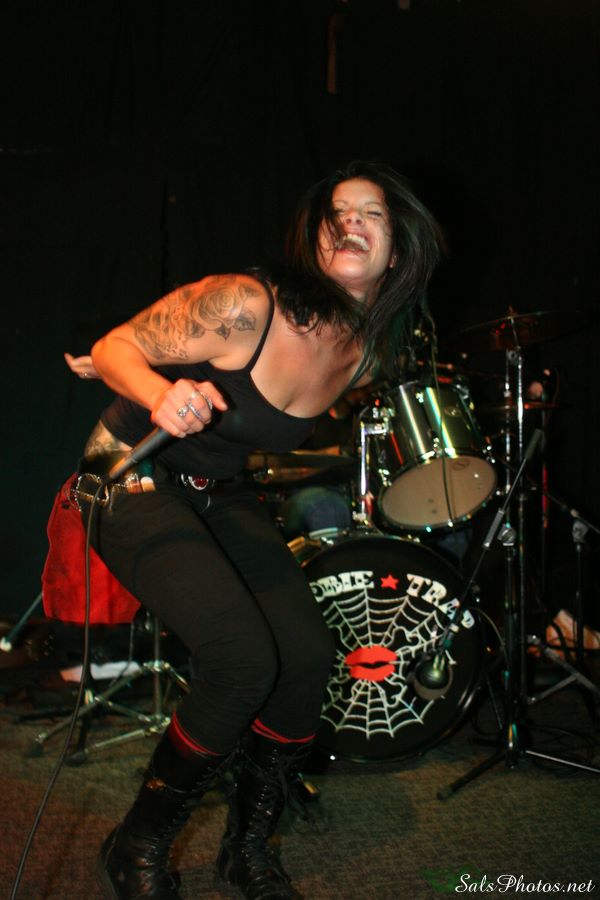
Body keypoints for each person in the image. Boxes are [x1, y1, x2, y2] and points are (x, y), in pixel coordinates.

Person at [71, 159, 442, 899]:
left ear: (397, 249)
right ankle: (136, 847)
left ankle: (246, 848)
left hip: (218, 491)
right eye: (338, 213)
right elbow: (114, 346)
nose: (351, 223)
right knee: (242, 658)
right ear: (315, 237)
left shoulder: (365, 353)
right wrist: (155, 389)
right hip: (131, 475)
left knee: (306, 657)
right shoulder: (246, 303)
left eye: (370, 214)